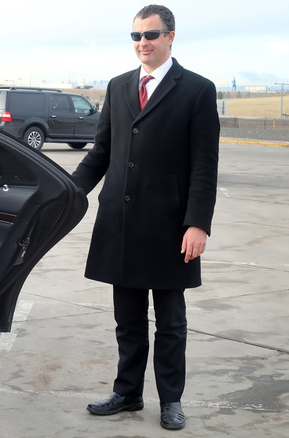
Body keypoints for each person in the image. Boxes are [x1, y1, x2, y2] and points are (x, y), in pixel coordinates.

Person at [69, 4, 219, 431]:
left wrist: (198, 223)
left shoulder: (197, 89)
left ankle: (171, 400)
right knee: (128, 318)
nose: (143, 44)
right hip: (122, 222)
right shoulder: (118, 87)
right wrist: (68, 191)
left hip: (172, 226)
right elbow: (101, 152)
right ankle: (128, 392)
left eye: (150, 35)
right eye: (135, 36)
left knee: (170, 322)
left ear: (171, 36)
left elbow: (204, 164)